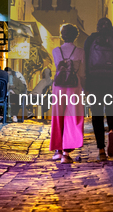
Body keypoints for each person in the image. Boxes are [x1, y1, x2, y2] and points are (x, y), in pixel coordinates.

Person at [84, 17, 113, 161]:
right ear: (112, 28)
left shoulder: (90, 40)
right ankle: (111, 130)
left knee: (97, 113)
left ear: (98, 28)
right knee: (111, 109)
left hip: (94, 81)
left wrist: (85, 87)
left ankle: (101, 150)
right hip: (112, 81)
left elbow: (85, 64)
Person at [51, 23, 85, 164]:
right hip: (74, 86)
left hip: (58, 87)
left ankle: (58, 151)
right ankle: (66, 153)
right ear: (75, 36)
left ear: (62, 36)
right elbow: (82, 73)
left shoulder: (55, 50)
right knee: (72, 118)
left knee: (57, 117)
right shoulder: (81, 51)